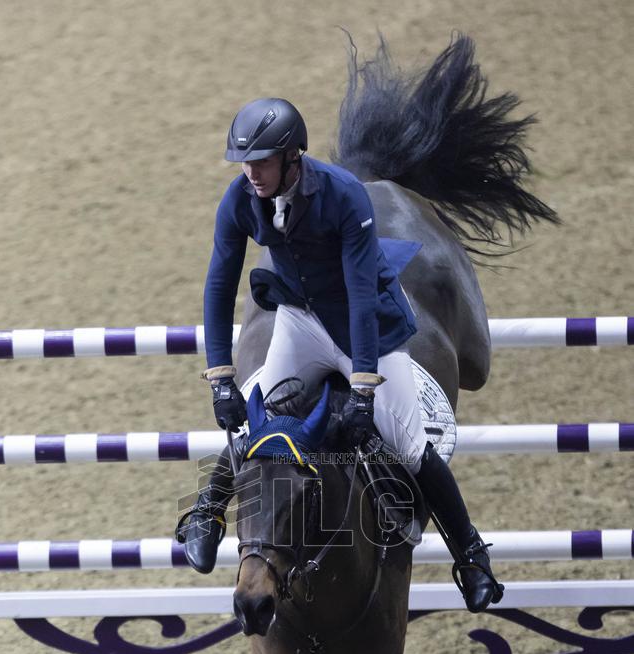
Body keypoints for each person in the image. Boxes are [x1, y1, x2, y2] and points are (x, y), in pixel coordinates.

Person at [177, 97, 503, 612]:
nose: (251, 173)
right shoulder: (240, 198)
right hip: (301, 319)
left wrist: (364, 388)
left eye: (261, 162)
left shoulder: (341, 193)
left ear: (293, 157)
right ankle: (206, 511)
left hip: (362, 323)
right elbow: (219, 283)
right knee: (251, 417)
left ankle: (470, 552)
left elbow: (360, 293)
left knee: (410, 444)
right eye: (245, 162)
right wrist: (220, 378)